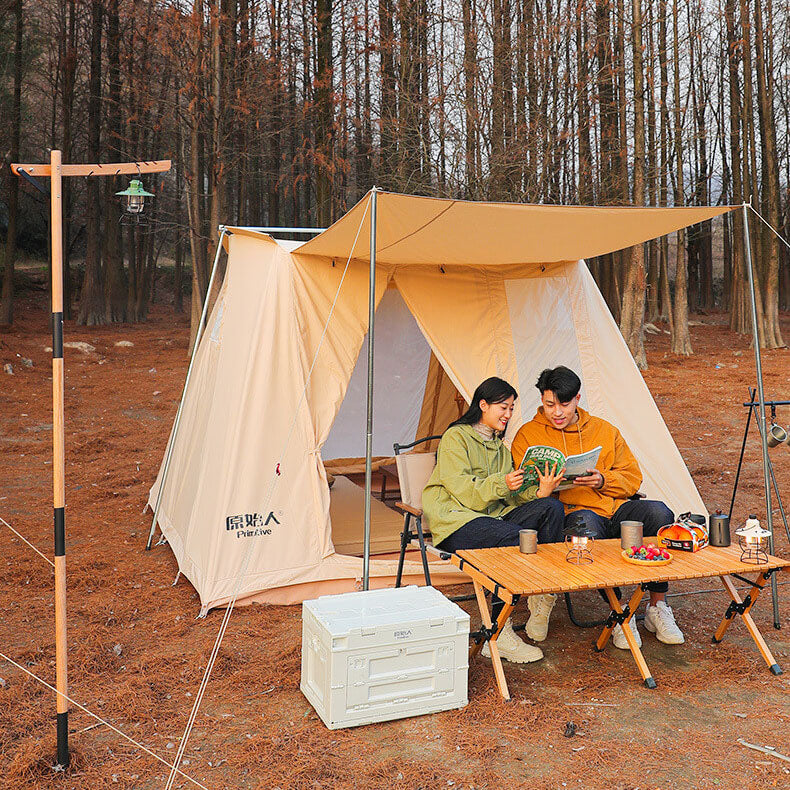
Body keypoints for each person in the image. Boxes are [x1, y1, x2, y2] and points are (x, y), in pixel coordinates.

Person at [510, 366, 684, 649]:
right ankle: (621, 615)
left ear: (577, 399)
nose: (557, 412)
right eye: (549, 404)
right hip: (574, 513)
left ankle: (657, 607)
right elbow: (522, 492)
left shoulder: (604, 430)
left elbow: (632, 478)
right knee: (586, 525)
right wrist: (546, 488)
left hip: (615, 508)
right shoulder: (528, 435)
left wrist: (603, 479)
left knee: (660, 513)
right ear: (541, 399)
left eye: (564, 404)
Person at [422, 376, 566, 664]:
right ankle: (499, 632)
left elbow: (508, 499)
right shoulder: (455, 438)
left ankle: (542, 594)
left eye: (512, 408)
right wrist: (502, 483)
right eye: (503, 407)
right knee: (514, 538)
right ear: (483, 405)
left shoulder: (500, 448)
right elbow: (464, 492)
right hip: (456, 520)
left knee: (550, 507)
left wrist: (539, 492)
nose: (508, 415)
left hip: (492, 517)